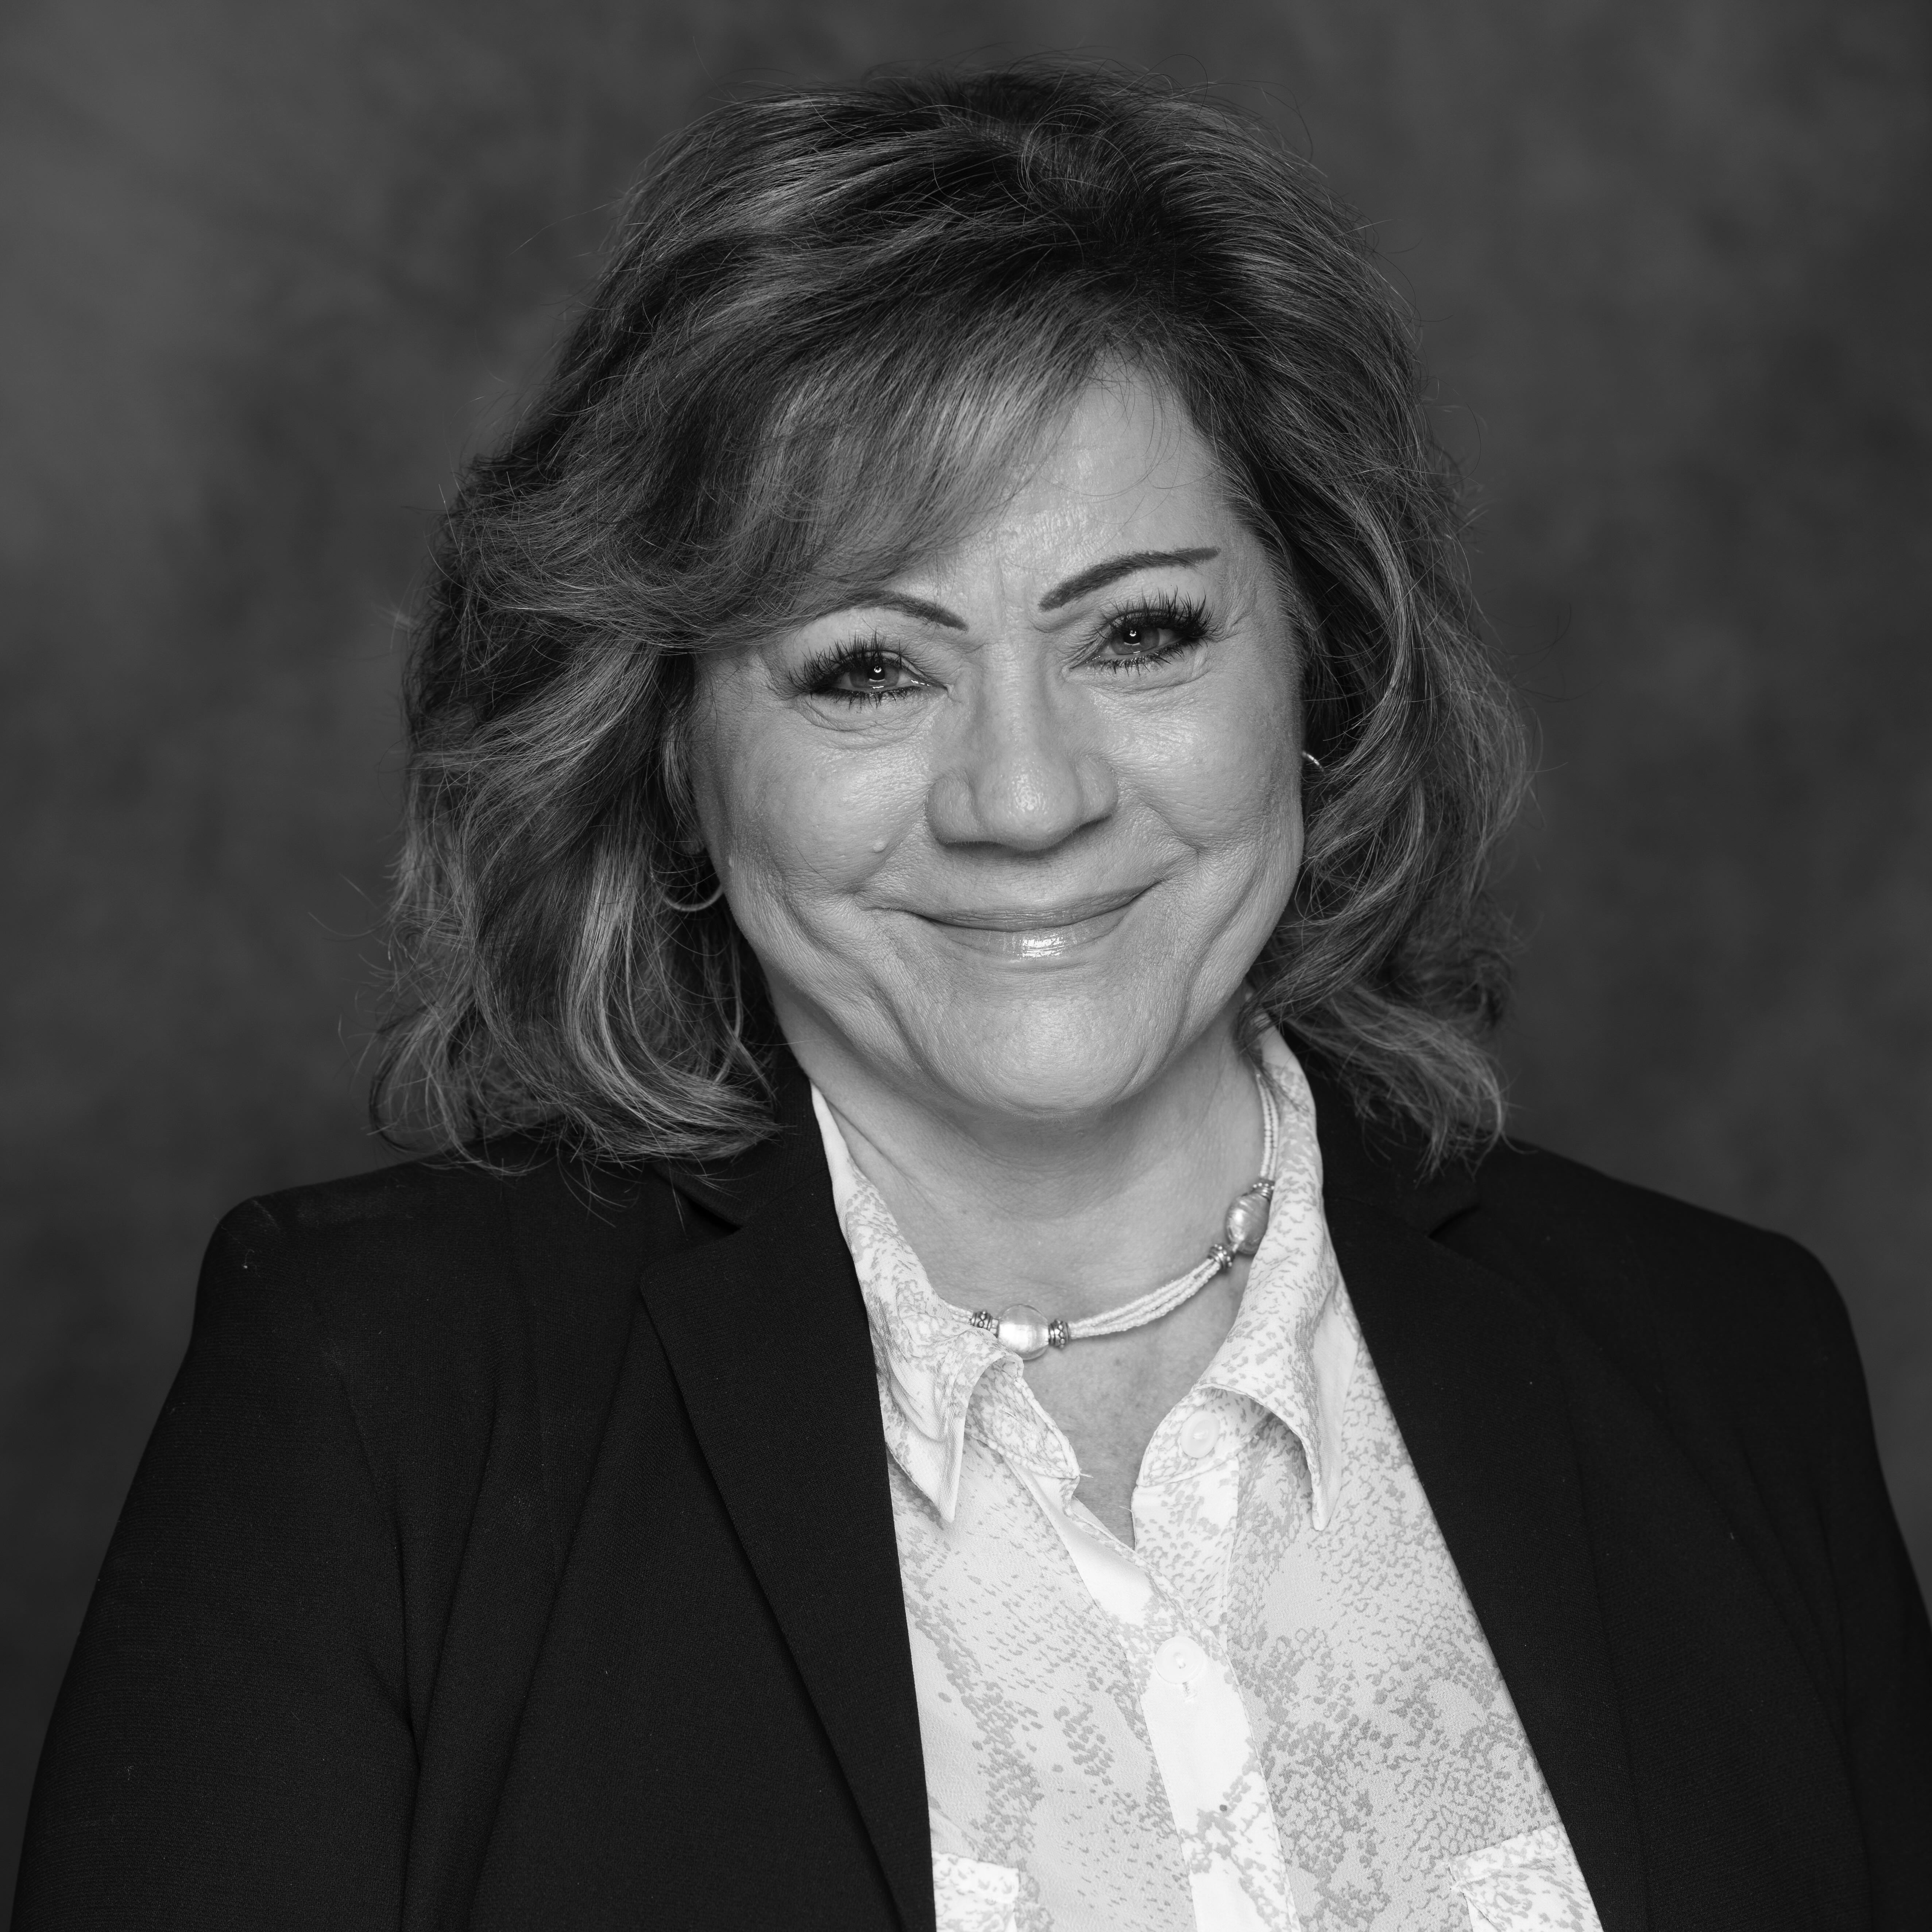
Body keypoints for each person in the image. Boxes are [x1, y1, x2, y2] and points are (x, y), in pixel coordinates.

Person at [13, 63, 1929, 1932]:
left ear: (1322, 667)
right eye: (866, 669)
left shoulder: (1729, 1362)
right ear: (672, 748)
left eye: (1142, 632)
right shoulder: (383, 1399)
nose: (1028, 797)